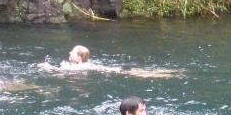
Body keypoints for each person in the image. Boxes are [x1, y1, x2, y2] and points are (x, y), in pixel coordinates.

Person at [46, 45, 179, 78]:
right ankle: (168, 72)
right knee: (138, 73)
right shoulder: (86, 64)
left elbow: (59, 72)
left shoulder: (78, 68)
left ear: (80, 57)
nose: (69, 53)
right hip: (110, 69)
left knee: (140, 75)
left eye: (73, 52)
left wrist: (46, 66)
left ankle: (164, 74)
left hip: (111, 71)